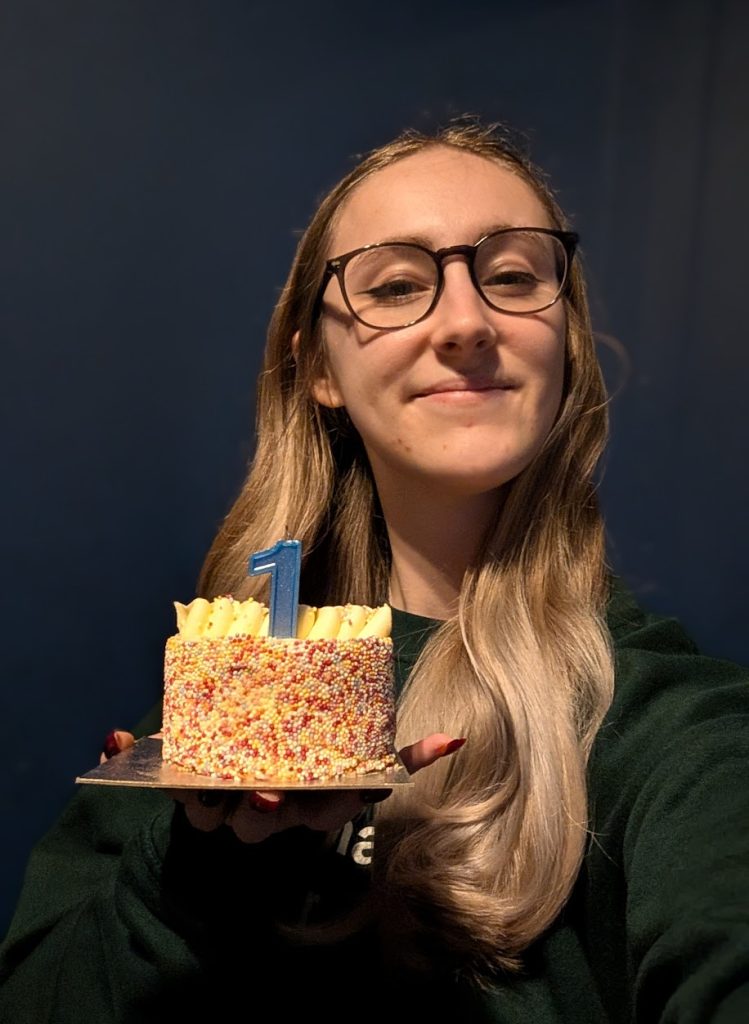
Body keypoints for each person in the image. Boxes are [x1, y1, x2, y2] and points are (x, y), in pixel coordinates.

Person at [1, 120, 747, 1023]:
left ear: (565, 339)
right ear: (319, 367)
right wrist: (200, 872)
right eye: (396, 285)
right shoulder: (223, 716)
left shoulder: (677, 736)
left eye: (512, 276)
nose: (467, 321)